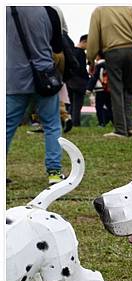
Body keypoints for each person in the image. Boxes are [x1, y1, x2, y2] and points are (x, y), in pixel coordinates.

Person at [7, 6, 65, 185]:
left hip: (14, 77)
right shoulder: (49, 11)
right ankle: (54, 173)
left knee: (7, 125)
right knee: (52, 124)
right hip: (44, 77)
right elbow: (57, 48)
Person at [87, 6, 132, 138]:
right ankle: (130, 127)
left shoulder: (99, 11)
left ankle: (120, 129)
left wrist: (90, 60)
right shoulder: (129, 9)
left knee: (116, 91)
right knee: (128, 91)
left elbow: (93, 38)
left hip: (113, 52)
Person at [67, 34, 90, 127]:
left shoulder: (71, 51)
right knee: (77, 105)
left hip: (70, 81)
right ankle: (76, 123)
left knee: (71, 104)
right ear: (84, 41)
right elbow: (82, 69)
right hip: (79, 82)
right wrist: (87, 79)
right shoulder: (81, 53)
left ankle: (69, 122)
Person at [87, 53, 112, 126]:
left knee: (99, 106)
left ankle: (101, 122)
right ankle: (114, 121)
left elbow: (94, 78)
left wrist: (89, 88)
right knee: (109, 106)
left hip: (100, 89)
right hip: (108, 89)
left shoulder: (98, 65)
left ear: (98, 56)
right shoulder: (110, 64)